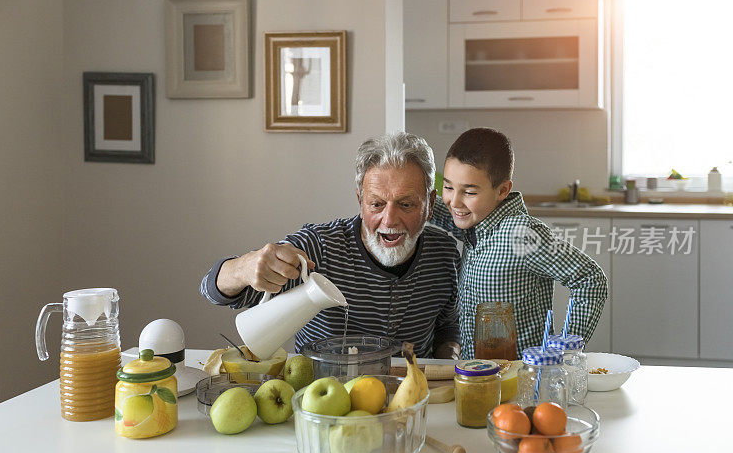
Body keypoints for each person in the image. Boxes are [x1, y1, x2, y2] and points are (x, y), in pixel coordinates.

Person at [200, 132, 461, 359]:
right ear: (360, 200)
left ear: (429, 205)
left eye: (406, 205)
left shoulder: (445, 255)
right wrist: (244, 267)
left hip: (412, 396)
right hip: (323, 398)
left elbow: (448, 325)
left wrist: (449, 357)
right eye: (376, 204)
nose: (389, 220)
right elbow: (213, 289)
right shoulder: (317, 247)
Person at [428, 127, 608, 359]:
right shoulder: (475, 224)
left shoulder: (522, 234)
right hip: (479, 378)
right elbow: (442, 211)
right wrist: (411, 199)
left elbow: (590, 279)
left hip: (522, 380)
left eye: (469, 192)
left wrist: (564, 350)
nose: (454, 201)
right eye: (449, 187)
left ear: (502, 190)